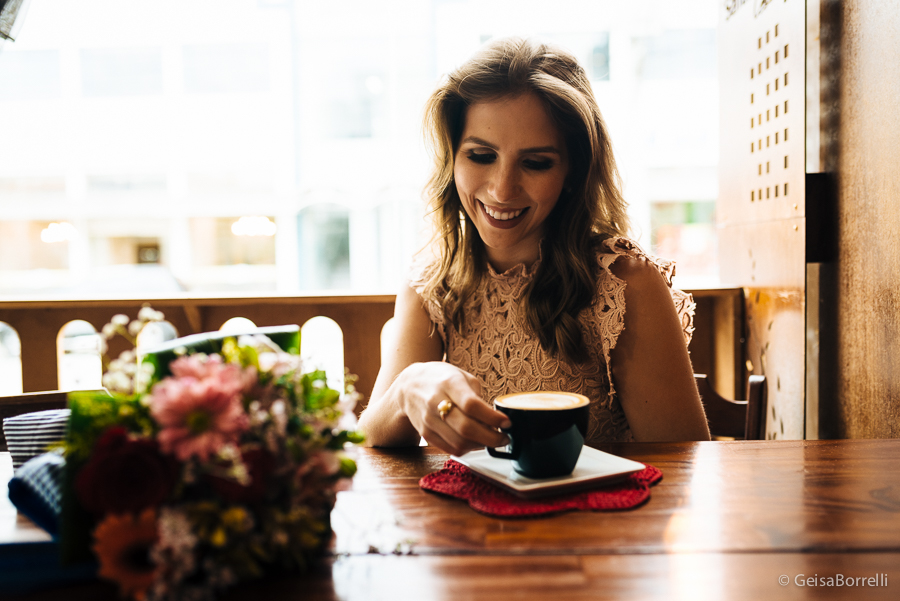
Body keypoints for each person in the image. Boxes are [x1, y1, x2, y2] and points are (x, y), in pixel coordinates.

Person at [358, 37, 710, 455]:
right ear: (452, 158)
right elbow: (369, 441)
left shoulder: (623, 284)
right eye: (481, 155)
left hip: (603, 517)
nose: (502, 189)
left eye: (536, 162)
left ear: (573, 172)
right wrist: (406, 391)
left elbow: (686, 467)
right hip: (472, 519)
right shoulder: (433, 284)